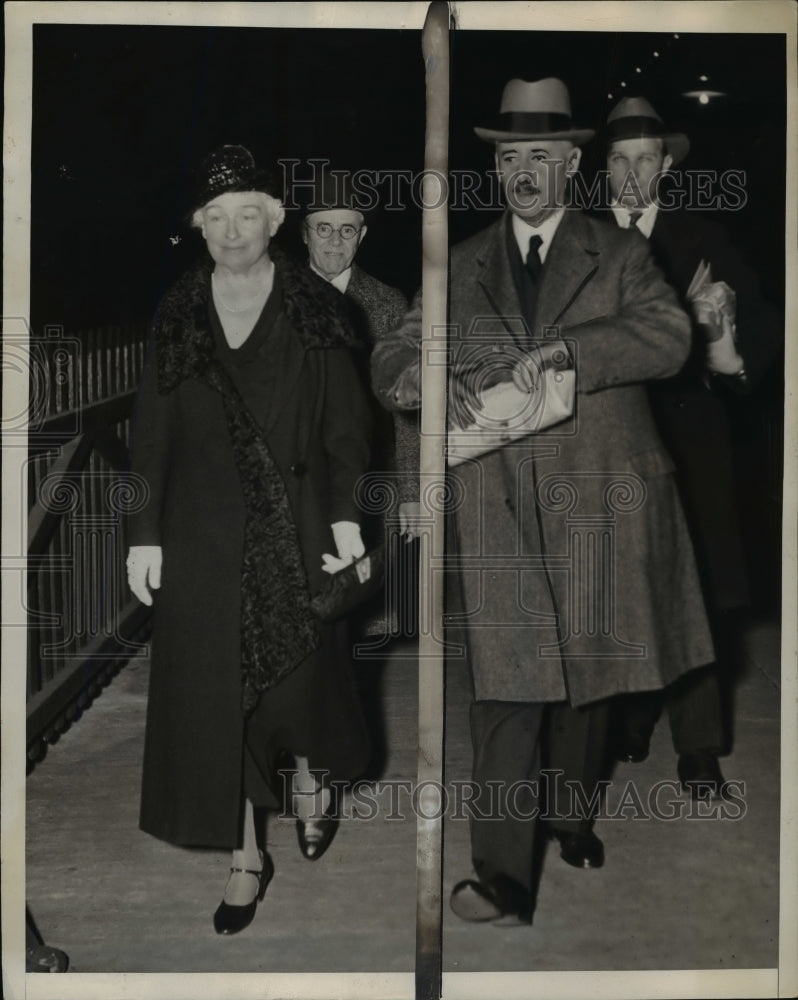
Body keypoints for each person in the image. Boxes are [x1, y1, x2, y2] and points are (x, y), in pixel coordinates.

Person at [371, 77, 715, 924]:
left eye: (541, 155)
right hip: (495, 504)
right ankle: (503, 873)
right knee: (506, 688)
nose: (525, 170)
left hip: (598, 493)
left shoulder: (621, 254)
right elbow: (398, 348)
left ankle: (569, 817)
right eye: (510, 156)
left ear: (571, 163)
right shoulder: (460, 261)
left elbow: (670, 337)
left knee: (588, 680)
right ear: (498, 166)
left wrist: (569, 346)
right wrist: (418, 374)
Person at [126, 145, 372, 935]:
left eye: (249, 215)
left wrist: (346, 522)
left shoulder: (317, 310)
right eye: (216, 218)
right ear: (199, 228)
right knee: (218, 704)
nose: (233, 232)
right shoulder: (177, 312)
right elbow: (150, 435)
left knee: (297, 692)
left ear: (275, 221)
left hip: (298, 530)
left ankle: (309, 779)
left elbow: (347, 433)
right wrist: (143, 535)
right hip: (203, 542)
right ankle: (244, 856)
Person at [602, 96, 782, 797]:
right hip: (610, 443)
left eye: (646, 159)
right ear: (603, 168)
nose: (633, 173)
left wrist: (730, 353)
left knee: (696, 593)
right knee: (617, 589)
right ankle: (630, 717)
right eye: (619, 160)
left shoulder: (707, 239)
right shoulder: (578, 240)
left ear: (667, 166)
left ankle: (699, 746)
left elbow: (762, 328)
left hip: (692, 446)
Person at [300, 171, 419, 621]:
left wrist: (410, 489)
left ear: (362, 236)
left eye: (347, 230)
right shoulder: (275, 297)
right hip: (300, 474)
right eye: (323, 229)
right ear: (306, 234)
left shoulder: (387, 304)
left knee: (359, 596)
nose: (334, 241)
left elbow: (406, 405)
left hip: (369, 478)